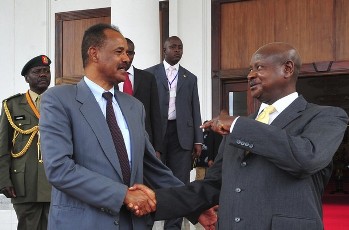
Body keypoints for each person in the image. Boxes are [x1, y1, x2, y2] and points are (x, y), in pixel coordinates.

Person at [133, 42, 349, 229]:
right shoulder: (241, 128)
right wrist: (154, 200)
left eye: (259, 67)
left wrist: (238, 124)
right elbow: (212, 186)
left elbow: (305, 157)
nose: (250, 75)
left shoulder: (326, 117)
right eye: (250, 69)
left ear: (287, 68)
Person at [38, 23, 193, 230]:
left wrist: (195, 206)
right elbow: (59, 169)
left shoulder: (134, 107)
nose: (126, 59)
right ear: (94, 53)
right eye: (119, 52)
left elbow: (152, 168)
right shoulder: (59, 100)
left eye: (128, 53)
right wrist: (124, 195)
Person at [145, 36, 203, 229]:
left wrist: (198, 140)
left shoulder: (190, 77)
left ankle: (173, 227)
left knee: (180, 182)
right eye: (173, 47)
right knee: (154, 178)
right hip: (158, 134)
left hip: (182, 136)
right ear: (164, 50)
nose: (177, 50)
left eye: (180, 47)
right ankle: (148, 222)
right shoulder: (150, 74)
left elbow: (196, 109)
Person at [0, 55, 52, 230]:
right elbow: (3, 146)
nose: (43, 75)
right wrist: (4, 180)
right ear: (26, 78)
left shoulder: (61, 102)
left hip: (55, 181)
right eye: (37, 72)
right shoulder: (12, 105)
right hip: (24, 182)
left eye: (46, 71)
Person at [118, 38, 163, 157]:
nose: (126, 57)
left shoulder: (148, 78)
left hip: (145, 141)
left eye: (130, 53)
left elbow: (156, 114)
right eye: (122, 52)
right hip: (118, 140)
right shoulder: (110, 80)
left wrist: (158, 148)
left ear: (134, 54)